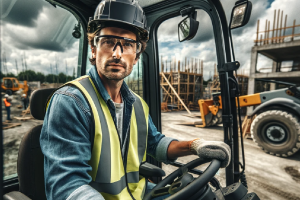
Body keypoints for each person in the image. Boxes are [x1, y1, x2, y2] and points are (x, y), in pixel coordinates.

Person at [40, 1, 231, 200]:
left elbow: (155, 143)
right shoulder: (71, 102)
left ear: (137, 55)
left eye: (128, 44)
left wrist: (194, 145)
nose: (117, 53)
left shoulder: (137, 104)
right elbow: (67, 186)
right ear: (94, 48)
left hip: (138, 194)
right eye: (107, 41)